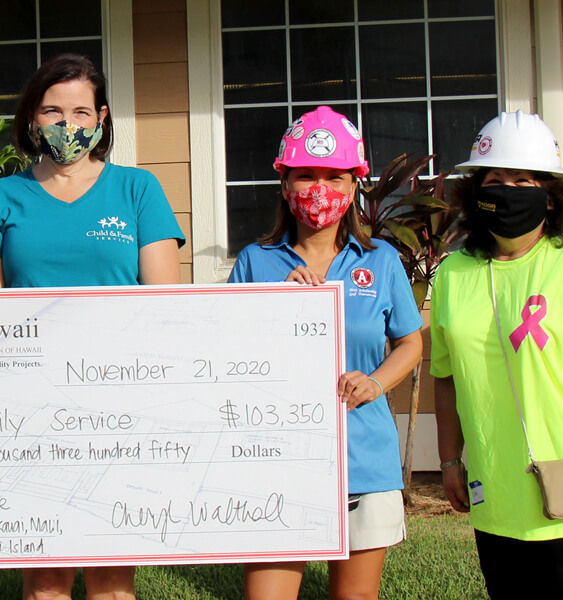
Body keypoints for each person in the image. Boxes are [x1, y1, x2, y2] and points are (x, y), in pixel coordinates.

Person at [0, 53, 184, 600]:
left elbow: (164, 307)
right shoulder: (0, 197)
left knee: (113, 579)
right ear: (32, 120)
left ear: (103, 118)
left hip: (120, 399)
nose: (68, 124)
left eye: (82, 111)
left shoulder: (138, 190)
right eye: (53, 111)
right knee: (45, 577)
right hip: (29, 404)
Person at [227, 106, 423, 600]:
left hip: (363, 455)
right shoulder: (256, 261)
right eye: (306, 175)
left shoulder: (380, 260)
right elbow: (227, 351)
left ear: (355, 185)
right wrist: (279, 307)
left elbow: (410, 342)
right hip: (276, 455)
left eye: (334, 176)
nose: (320, 188)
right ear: (285, 184)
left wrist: (376, 382)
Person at [430, 111, 563, 600]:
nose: (508, 190)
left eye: (523, 180)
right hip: (494, 487)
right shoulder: (455, 272)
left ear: (550, 194)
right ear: (474, 193)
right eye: (494, 179)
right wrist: (450, 461)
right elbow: (446, 375)